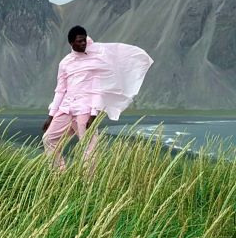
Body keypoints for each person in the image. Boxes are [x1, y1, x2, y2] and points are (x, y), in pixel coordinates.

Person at [41, 26, 153, 173]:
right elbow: (60, 90)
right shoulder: (65, 63)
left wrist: (93, 114)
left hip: (85, 110)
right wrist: (51, 115)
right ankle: (58, 175)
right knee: (49, 138)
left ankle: (89, 184)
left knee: (89, 147)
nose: (83, 43)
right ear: (71, 43)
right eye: (79, 41)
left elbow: (98, 90)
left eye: (84, 40)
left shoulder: (95, 59)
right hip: (66, 108)